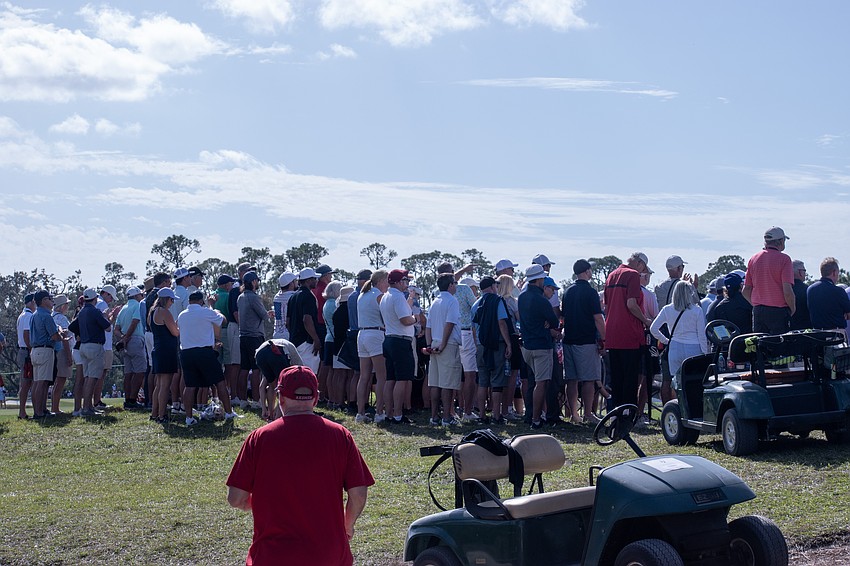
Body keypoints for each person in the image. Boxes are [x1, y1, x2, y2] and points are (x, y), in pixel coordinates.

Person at [226, 366, 374, 566]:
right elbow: (359, 494)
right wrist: (347, 526)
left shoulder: (259, 438)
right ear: (316, 398)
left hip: (272, 556)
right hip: (328, 555)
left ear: (280, 398)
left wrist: (256, 502)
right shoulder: (340, 435)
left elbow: (235, 498)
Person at [177, 291, 239, 425]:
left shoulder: (181, 315)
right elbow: (223, 320)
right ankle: (229, 412)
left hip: (186, 353)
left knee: (189, 386)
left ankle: (189, 417)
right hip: (204, 352)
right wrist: (214, 308)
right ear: (201, 301)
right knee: (220, 382)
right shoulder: (206, 312)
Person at [604, 252, 652, 407]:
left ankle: (616, 412)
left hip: (612, 333)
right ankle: (628, 413)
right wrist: (646, 321)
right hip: (629, 333)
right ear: (639, 263)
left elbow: (606, 305)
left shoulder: (611, 275)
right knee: (630, 380)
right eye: (643, 268)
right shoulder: (632, 275)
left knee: (616, 379)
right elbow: (631, 304)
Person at [561, 259, 606, 424]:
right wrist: (605, 338)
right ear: (587, 271)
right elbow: (598, 318)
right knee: (589, 379)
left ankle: (574, 414)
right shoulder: (590, 292)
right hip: (586, 341)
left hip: (568, 340)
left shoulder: (568, 291)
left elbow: (563, 316)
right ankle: (587, 413)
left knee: (571, 379)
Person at [518, 264, 560, 429]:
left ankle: (531, 415)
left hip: (527, 346)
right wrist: (547, 323)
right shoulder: (542, 300)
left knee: (532, 382)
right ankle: (536, 419)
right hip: (541, 346)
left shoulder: (522, 297)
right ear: (539, 279)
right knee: (541, 384)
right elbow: (555, 322)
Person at [650, 281, 709, 386]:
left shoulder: (667, 309)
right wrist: (705, 353)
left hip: (675, 348)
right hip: (694, 348)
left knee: (677, 383)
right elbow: (701, 335)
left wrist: (666, 341)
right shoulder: (697, 310)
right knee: (695, 381)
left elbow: (653, 328)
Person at [471, 276, 512, 425]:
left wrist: (477, 345)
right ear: (492, 286)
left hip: (481, 345)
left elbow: (473, 328)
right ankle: (496, 415)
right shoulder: (497, 301)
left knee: (482, 381)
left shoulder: (475, 304)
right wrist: (508, 343)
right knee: (497, 381)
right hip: (496, 345)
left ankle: (482, 415)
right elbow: (502, 323)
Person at [379, 269, 417, 425]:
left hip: (389, 339)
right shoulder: (398, 297)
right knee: (402, 379)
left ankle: (389, 413)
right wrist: (416, 318)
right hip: (400, 341)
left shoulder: (386, 296)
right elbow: (405, 320)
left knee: (391, 379)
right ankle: (398, 415)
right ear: (399, 282)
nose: (406, 284)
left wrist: (410, 300)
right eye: (405, 281)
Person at [743, 226, 796, 334]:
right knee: (779, 343)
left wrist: (756, 304)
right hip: (778, 311)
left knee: (760, 342)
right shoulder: (784, 259)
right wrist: (792, 308)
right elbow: (787, 291)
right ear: (780, 241)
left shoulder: (753, 259)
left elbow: (746, 290)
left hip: (758, 312)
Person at [425, 274, 463, 426]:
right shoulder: (452, 301)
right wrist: (443, 344)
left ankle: (434, 417)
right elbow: (450, 323)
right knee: (447, 383)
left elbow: (428, 326)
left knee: (435, 382)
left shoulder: (435, 301)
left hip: (434, 342)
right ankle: (447, 417)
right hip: (447, 344)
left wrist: (429, 345)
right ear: (450, 285)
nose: (456, 285)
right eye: (455, 283)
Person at [355, 270, 387, 424]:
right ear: (380, 281)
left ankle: (360, 413)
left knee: (364, 376)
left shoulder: (362, 294)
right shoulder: (378, 295)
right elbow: (386, 316)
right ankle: (379, 412)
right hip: (375, 334)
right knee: (381, 376)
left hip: (362, 334)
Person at [29, 290, 67, 418]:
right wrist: (62, 335)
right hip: (45, 350)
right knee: (42, 382)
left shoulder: (34, 315)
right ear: (44, 300)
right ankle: (39, 412)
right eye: (50, 299)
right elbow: (55, 336)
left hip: (35, 350)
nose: (52, 301)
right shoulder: (46, 316)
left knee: (38, 382)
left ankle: (41, 410)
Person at [238, 271, 272, 408]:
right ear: (253, 282)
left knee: (244, 368)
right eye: (257, 280)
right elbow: (263, 315)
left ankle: (242, 399)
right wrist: (269, 314)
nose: (258, 283)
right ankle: (256, 400)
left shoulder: (240, 297)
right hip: (254, 336)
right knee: (256, 369)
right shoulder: (254, 297)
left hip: (243, 336)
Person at [76, 288, 112, 416]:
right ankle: (87, 408)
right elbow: (107, 328)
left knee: (87, 377)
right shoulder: (95, 311)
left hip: (83, 346)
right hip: (94, 346)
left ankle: (88, 406)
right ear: (94, 299)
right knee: (92, 378)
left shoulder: (81, 312)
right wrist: (106, 316)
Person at [148, 288, 180, 423]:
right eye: (172, 300)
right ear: (167, 299)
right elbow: (175, 332)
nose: (172, 303)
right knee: (165, 386)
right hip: (166, 351)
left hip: (158, 349)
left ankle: (154, 413)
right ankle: (162, 416)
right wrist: (178, 326)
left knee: (159, 385)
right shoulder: (164, 312)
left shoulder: (152, 312)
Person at [254, 338, 304, 420]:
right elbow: (300, 373)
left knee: (272, 385)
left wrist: (263, 408)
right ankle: (277, 416)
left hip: (260, 354)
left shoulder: (269, 356)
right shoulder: (296, 360)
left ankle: (271, 415)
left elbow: (262, 386)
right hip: (277, 352)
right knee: (284, 387)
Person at [114, 286, 147, 409]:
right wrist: (127, 337)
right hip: (135, 340)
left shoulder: (123, 308)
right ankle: (132, 400)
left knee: (128, 373)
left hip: (125, 343)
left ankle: (127, 400)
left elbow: (116, 329)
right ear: (137, 295)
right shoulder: (138, 306)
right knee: (140, 372)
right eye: (141, 295)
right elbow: (135, 322)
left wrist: (123, 338)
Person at [497, 274, 523, 419]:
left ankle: (498, 408)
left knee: (500, 375)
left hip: (498, 339)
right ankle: (507, 408)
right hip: (511, 338)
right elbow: (520, 319)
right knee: (513, 374)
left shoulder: (496, 301)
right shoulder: (512, 302)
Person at [287, 268, 322, 374]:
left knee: (296, 374)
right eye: (314, 278)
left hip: (295, 342)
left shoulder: (293, 297)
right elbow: (307, 320)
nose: (316, 281)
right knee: (309, 374)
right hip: (306, 342)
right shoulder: (308, 296)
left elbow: (287, 322)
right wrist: (316, 339)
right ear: (308, 280)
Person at [807, 257, 850, 338]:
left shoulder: (810, 289)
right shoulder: (838, 291)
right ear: (834, 272)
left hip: (817, 334)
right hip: (836, 334)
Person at [50, 294, 74, 414]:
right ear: (61, 306)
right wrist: (69, 356)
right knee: (61, 379)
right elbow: (65, 337)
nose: (68, 307)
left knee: (57, 380)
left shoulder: (52, 317)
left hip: (55, 351)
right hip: (63, 351)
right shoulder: (61, 318)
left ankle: (54, 407)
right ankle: (55, 408)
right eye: (66, 304)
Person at [16, 293, 35, 419]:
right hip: (27, 351)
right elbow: (26, 334)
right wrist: (31, 349)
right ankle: (22, 412)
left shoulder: (22, 315)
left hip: (22, 350)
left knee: (26, 382)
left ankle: (22, 411)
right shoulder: (28, 316)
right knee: (27, 382)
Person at [272, 272, 297, 340]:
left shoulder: (277, 297)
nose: (297, 282)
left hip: (277, 333)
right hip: (288, 333)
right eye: (295, 281)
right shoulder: (293, 297)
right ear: (291, 284)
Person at [790, 260, 812, 330]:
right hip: (805, 328)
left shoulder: (784, 289)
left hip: (787, 329)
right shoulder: (808, 290)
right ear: (800, 272)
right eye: (804, 270)